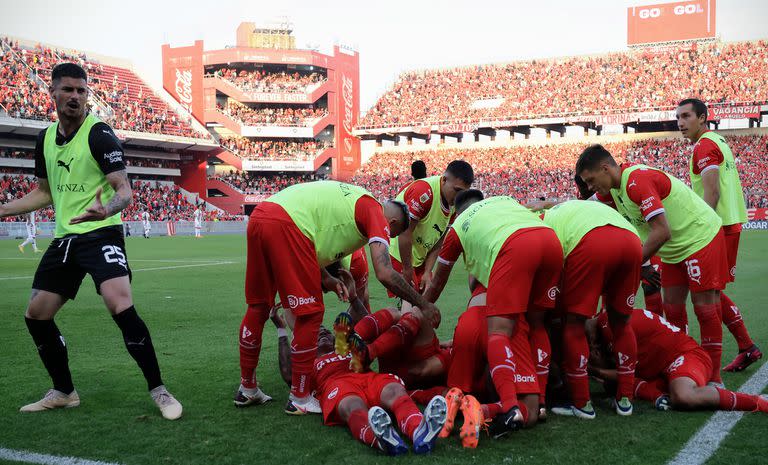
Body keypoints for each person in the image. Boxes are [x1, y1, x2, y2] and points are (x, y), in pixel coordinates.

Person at [0, 63, 181, 420]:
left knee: (119, 302)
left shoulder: (100, 134)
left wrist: (106, 210)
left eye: (82, 91)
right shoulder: (45, 139)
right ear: (52, 92)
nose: (75, 97)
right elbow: (43, 194)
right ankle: (64, 391)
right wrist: (3, 209)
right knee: (36, 315)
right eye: (68, 90)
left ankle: (159, 390)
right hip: (67, 238)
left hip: (101, 232)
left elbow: (124, 191)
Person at [237, 180, 442, 415]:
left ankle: (248, 388)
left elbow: (311, 243)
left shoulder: (354, 201)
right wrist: (423, 303)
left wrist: (327, 278)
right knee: (311, 314)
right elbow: (384, 273)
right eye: (391, 235)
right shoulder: (375, 210)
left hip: (263, 215)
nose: (387, 238)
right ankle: (299, 398)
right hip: (288, 225)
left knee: (259, 307)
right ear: (392, 224)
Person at [576, 144, 728, 386]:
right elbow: (587, 207)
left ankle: (714, 378)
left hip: (700, 237)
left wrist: (630, 267)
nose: (590, 187)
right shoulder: (616, 189)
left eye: (591, 180)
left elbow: (662, 231)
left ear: (605, 168)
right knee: (673, 308)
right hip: (674, 250)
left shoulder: (637, 181)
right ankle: (681, 361)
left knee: (705, 309)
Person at [424, 190, 563, 436]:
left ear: (458, 212)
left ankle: (470, 404)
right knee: (537, 325)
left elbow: (438, 281)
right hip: (549, 242)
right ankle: (537, 402)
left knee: (465, 379)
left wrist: (422, 309)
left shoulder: (460, 227)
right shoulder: (507, 201)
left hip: (473, 321)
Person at [270, 308, 448, 455]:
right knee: (352, 405)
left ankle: (419, 431)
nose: (323, 334)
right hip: (336, 386)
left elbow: (363, 321)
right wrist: (281, 330)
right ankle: (382, 440)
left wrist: (354, 297)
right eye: (317, 335)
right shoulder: (307, 364)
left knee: (394, 390)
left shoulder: (347, 348)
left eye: (326, 332)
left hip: (367, 377)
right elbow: (288, 374)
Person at [676, 98, 762, 372]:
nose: (680, 123)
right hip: (727, 224)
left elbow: (712, 192)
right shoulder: (718, 141)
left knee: (705, 290)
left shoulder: (704, 146)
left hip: (717, 228)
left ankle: (719, 363)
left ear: (702, 118)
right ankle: (747, 347)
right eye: (678, 117)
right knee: (708, 289)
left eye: (686, 116)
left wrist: (701, 229)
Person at [539, 200, 641, 419]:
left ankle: (581, 403)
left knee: (573, 323)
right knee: (622, 323)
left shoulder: (541, 223)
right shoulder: (572, 208)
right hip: (632, 239)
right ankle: (625, 400)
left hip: (591, 242)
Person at [588, 309, 768, 413]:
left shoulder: (611, 327)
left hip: (685, 355)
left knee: (684, 397)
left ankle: (757, 401)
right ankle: (659, 395)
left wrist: (594, 370)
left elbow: (624, 373)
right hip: (660, 368)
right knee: (610, 384)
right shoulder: (602, 324)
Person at [390, 160, 473, 294]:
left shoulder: (453, 204)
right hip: (399, 254)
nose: (459, 196)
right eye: (457, 190)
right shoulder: (424, 191)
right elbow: (405, 232)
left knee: (421, 306)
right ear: (444, 180)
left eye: (463, 192)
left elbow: (439, 241)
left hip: (419, 259)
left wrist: (427, 271)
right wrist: (407, 268)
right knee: (409, 304)